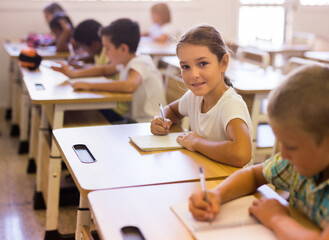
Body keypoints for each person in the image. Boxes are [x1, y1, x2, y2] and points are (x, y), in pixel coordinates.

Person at [189, 65, 329, 239]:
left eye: (291, 146)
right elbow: (254, 174)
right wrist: (217, 194)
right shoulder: (294, 164)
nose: (283, 154)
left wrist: (277, 219)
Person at [151, 25, 252, 167]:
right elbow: (173, 110)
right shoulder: (194, 97)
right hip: (207, 173)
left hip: (231, 182)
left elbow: (241, 154)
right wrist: (161, 120)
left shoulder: (230, 104)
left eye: (203, 63)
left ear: (223, 63)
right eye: (186, 67)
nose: (194, 74)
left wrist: (197, 143)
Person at [51, 18, 167, 123]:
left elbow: (130, 86)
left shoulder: (141, 62)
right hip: (135, 121)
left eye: (107, 48)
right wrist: (73, 73)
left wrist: (89, 85)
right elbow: (103, 70)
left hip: (147, 124)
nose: (105, 52)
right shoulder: (126, 61)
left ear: (123, 48)